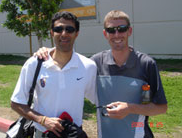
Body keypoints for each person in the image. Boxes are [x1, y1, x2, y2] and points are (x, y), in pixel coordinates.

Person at [34, 10, 167, 138]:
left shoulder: (146, 64)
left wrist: (129, 108)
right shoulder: (95, 63)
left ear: (129, 31)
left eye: (121, 28)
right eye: (111, 30)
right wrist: (48, 52)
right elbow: (67, 63)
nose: (116, 34)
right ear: (105, 34)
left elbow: (161, 108)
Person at [10, 11, 97, 138]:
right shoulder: (35, 64)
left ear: (76, 33)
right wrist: (43, 120)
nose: (64, 34)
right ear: (52, 33)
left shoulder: (88, 66)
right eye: (58, 29)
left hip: (73, 134)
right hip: (42, 134)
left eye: (69, 29)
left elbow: (99, 100)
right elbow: (16, 103)